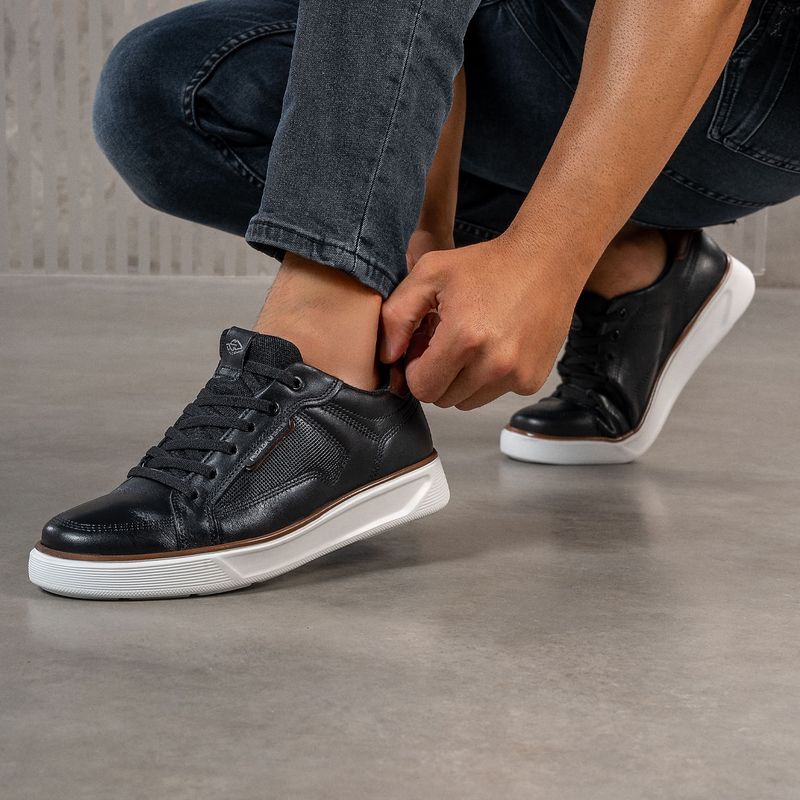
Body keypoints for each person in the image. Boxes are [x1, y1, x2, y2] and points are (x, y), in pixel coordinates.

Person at [28, 0, 799, 598]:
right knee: (169, 88)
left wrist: (550, 256)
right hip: (574, 46)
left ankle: (328, 376)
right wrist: (417, 229)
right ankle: (636, 269)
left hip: (760, 71)